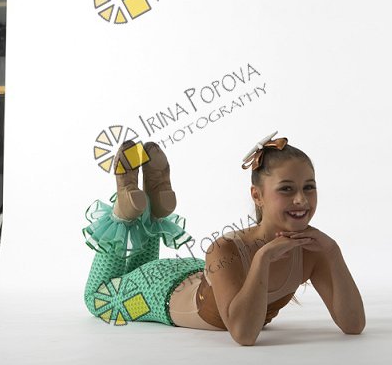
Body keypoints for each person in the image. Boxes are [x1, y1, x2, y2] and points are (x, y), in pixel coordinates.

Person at [82, 133, 365, 345]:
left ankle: (148, 210)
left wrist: (333, 251)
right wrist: (263, 258)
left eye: (309, 187)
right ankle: (124, 212)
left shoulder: (313, 250)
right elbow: (244, 334)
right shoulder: (226, 247)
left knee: (133, 270)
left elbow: (353, 325)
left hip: (196, 273)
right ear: (257, 195)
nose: (301, 199)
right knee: (99, 299)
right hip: (155, 294)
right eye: (287, 189)